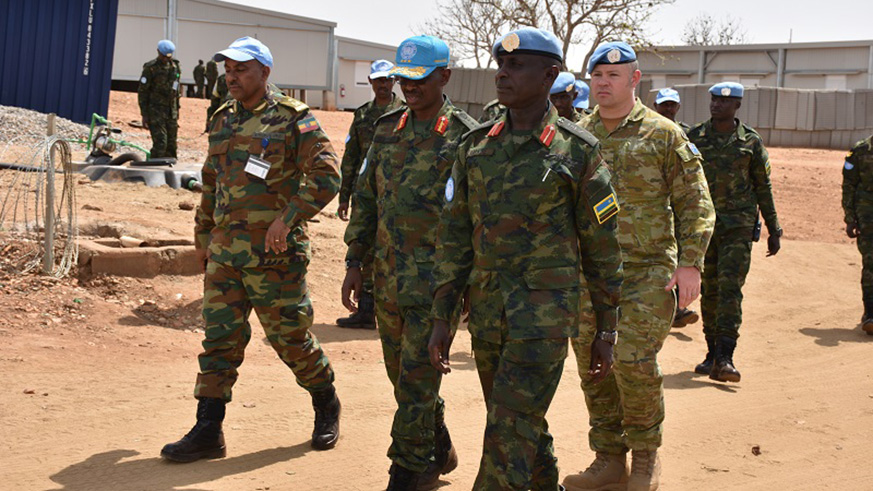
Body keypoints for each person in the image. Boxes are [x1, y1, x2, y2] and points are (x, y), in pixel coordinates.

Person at [428, 28, 624, 491]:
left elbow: (603, 248)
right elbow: (454, 238)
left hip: (544, 320)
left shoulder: (578, 151)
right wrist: (443, 317)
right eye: (501, 64)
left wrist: (607, 327)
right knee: (517, 420)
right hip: (490, 316)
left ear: (550, 74)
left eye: (517, 65)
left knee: (506, 431)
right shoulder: (475, 146)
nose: (503, 73)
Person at [160, 36, 342, 463]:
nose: (232, 75)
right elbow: (211, 182)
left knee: (290, 339)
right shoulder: (223, 117)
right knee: (219, 339)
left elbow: (328, 174)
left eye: (242, 68)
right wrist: (203, 235)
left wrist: (289, 217)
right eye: (228, 68)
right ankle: (208, 430)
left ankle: (325, 401)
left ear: (265, 72)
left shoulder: (292, 119)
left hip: (275, 256)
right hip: (225, 253)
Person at [563, 41, 714, 491]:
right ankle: (609, 458)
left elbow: (695, 202)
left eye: (613, 76)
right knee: (593, 361)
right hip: (590, 273)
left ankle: (646, 457)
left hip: (648, 270)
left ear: (635, 80)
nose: (603, 83)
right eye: (597, 76)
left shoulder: (662, 133)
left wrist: (691, 263)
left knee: (631, 357)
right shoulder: (578, 135)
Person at [341, 35, 478, 490]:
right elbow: (366, 197)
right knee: (403, 378)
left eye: (419, 79)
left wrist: (467, 287)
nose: (409, 87)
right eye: (404, 79)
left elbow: (475, 217)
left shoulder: (465, 136)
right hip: (387, 279)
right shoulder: (386, 128)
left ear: (444, 76)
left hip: (437, 284)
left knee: (417, 380)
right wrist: (354, 258)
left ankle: (409, 469)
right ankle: (437, 444)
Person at [687, 82, 782, 382]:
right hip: (704, 227)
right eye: (714, 100)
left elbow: (762, 186)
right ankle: (712, 353)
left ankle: (726, 357)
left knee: (730, 289)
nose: (717, 105)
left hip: (738, 227)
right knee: (708, 289)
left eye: (725, 102)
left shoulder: (751, 142)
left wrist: (773, 226)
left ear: (737, 106)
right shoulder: (694, 138)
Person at [335, 59, 404, 330]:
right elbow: (351, 156)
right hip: (366, 194)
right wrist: (344, 195)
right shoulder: (362, 115)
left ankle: (392, 310)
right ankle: (365, 311)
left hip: (394, 194)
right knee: (362, 249)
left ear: (394, 82)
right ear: (371, 81)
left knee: (391, 251)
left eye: (388, 80)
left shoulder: (405, 112)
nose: (383, 85)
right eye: (378, 80)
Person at [653, 87, 700, 329]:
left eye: (672, 105)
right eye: (664, 105)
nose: (668, 109)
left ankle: (678, 307)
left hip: (680, 206)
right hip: (656, 208)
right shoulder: (647, 133)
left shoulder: (689, 135)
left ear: (678, 107)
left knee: (680, 254)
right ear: (655, 106)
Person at [844, 135, 873, 335]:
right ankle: (870, 313)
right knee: (871, 263)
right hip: (868, 217)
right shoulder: (860, 150)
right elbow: (849, 186)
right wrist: (850, 218)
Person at [138, 39, 181, 159]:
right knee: (161, 143)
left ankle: (170, 168)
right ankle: (154, 167)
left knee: (172, 144)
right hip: (156, 111)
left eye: (168, 56)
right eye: (163, 56)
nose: (166, 59)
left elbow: (176, 88)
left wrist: (177, 110)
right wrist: (144, 114)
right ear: (158, 52)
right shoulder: (150, 68)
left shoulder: (175, 67)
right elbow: (143, 92)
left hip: (171, 112)